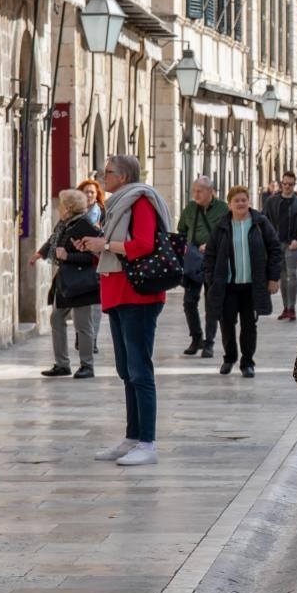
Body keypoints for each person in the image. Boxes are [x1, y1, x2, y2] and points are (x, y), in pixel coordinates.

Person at [78, 155, 173, 467]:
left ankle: (148, 442)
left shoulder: (140, 201)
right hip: (118, 292)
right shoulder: (118, 204)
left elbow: (143, 244)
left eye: (108, 172)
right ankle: (133, 437)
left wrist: (104, 245)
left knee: (140, 370)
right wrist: (95, 245)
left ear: (124, 176)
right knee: (125, 369)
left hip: (138, 295)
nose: (103, 177)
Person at [202, 186, 282, 376]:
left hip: (252, 286)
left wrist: (273, 278)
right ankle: (229, 358)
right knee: (227, 323)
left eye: (243, 200)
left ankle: (247, 362)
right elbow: (210, 254)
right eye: (236, 201)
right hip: (228, 285)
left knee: (249, 325)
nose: (240, 204)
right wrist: (212, 279)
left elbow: (275, 249)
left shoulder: (260, 223)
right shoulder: (222, 226)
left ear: (248, 202)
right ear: (229, 204)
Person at [38, 188, 102, 379]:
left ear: (68, 206)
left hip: (81, 283)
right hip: (66, 280)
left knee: (83, 324)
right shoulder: (65, 224)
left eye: (62, 203)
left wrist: (68, 256)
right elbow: (52, 242)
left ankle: (87, 365)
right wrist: (39, 254)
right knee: (57, 318)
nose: (59, 207)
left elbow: (94, 257)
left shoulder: (84, 225)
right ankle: (62, 364)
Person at [177, 177, 220, 358]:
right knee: (189, 301)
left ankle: (209, 342)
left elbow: (227, 233)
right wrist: (186, 246)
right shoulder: (190, 209)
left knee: (212, 303)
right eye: (194, 190)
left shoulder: (223, 209)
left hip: (214, 262)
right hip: (194, 263)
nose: (195, 194)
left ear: (211, 192)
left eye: (199, 191)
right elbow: (181, 231)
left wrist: (211, 244)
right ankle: (196, 338)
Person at [263, 170, 297, 321]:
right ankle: (286, 307)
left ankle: (292, 308)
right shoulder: (272, 201)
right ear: (281, 183)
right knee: (283, 276)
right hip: (276, 245)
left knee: (292, 275)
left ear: (294, 184)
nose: (287, 187)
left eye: (290, 184)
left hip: (291, 244)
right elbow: (264, 221)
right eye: (285, 184)